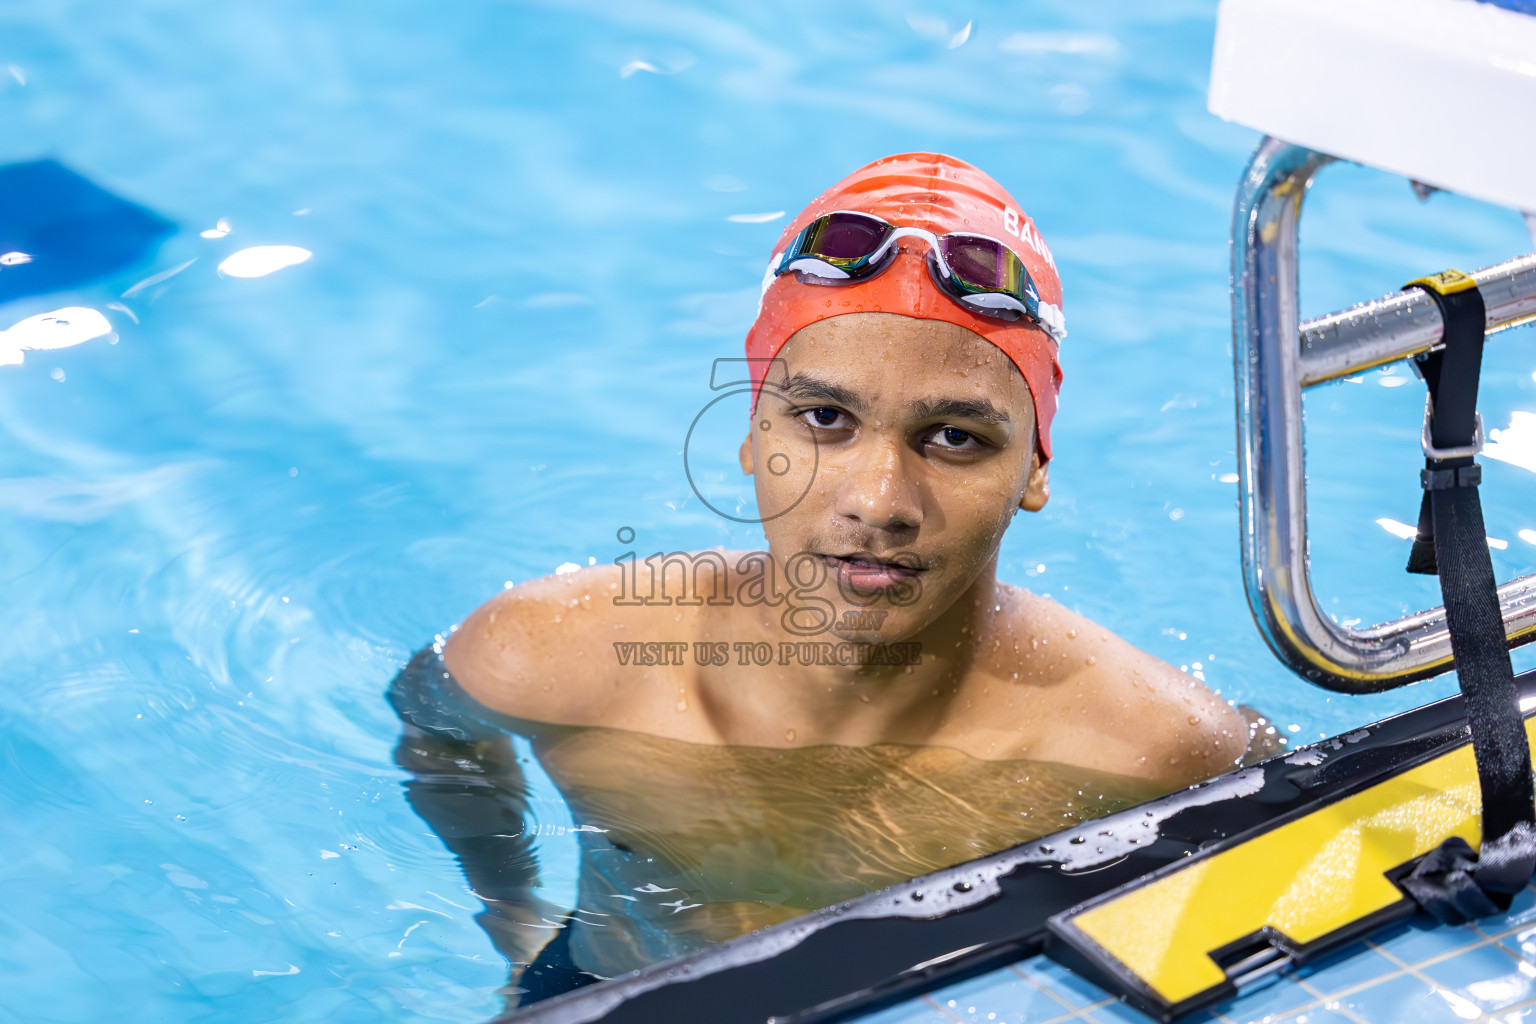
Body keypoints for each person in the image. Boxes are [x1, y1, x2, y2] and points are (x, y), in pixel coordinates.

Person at [390, 153, 1276, 1002]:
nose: (880, 501)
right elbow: (435, 730)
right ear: (749, 433)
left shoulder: (1163, 751)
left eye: (956, 437)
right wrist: (510, 911)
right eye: (824, 417)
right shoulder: (545, 656)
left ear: (1035, 468)